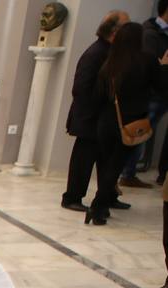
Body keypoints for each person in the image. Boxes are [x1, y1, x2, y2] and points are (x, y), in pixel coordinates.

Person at [88, 22, 168, 225]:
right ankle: (98, 207)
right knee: (114, 167)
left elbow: (97, 95)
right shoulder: (146, 60)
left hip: (106, 121)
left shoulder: (110, 62)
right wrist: (164, 66)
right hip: (130, 123)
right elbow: (161, 87)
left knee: (107, 166)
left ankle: (102, 206)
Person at [63, 11, 130, 212]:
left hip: (100, 119)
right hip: (90, 119)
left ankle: (107, 196)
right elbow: (81, 89)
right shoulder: (96, 52)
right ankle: (72, 197)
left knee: (106, 161)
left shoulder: (109, 51)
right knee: (83, 162)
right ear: (114, 30)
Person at [124, 1, 168, 188]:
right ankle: (128, 172)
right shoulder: (150, 33)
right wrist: (163, 65)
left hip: (161, 92)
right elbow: (149, 64)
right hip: (153, 94)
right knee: (139, 132)